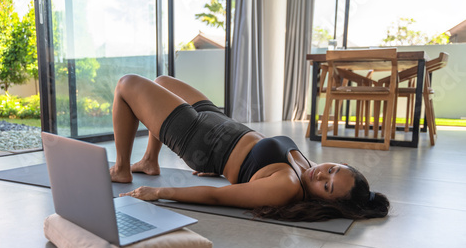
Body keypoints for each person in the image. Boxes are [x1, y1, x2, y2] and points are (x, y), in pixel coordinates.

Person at [109, 75, 390, 222]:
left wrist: (159, 192)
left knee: (126, 85)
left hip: (199, 138)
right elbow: (254, 168)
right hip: (217, 121)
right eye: (332, 169)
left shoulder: (288, 186)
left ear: (324, 202)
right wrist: (237, 169)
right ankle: (149, 161)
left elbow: (219, 198)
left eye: (327, 186)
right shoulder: (306, 169)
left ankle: (122, 168)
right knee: (162, 82)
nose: (322, 175)